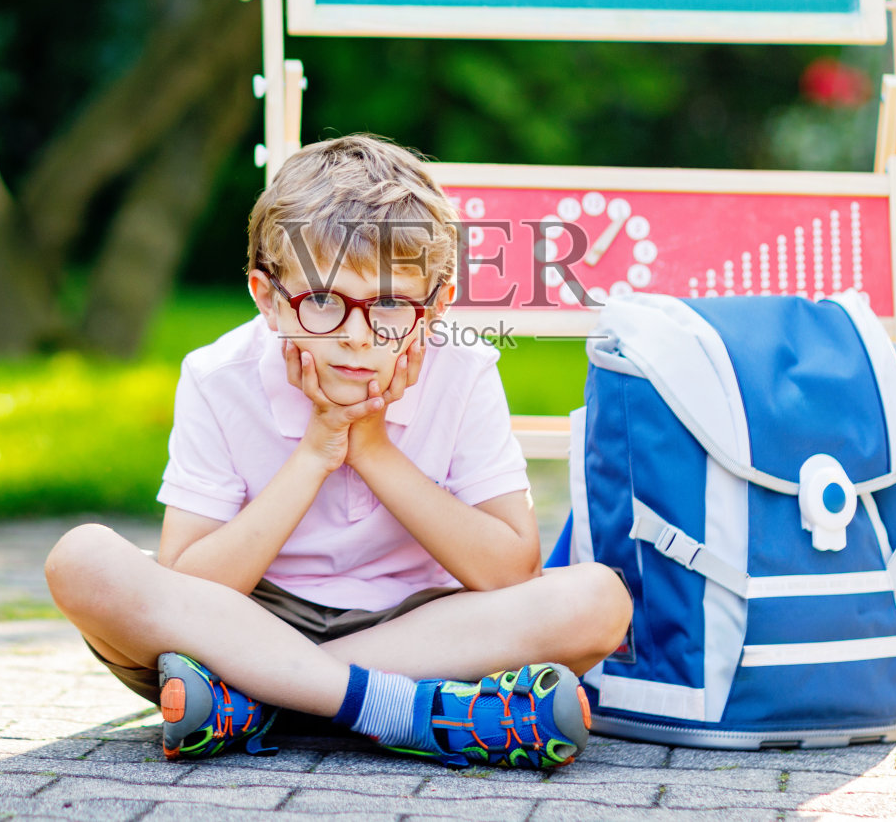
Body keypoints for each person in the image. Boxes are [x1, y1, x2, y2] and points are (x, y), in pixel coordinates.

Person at [44, 134, 632, 769]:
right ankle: (408, 712)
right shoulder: (218, 376)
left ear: (433, 308)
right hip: (246, 615)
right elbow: (194, 586)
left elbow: (511, 570)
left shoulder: (461, 370)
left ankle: (254, 699)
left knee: (597, 601)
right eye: (322, 301)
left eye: (387, 304)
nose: (355, 338)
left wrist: (372, 447)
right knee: (82, 561)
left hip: (419, 629)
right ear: (268, 298)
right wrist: (318, 450)